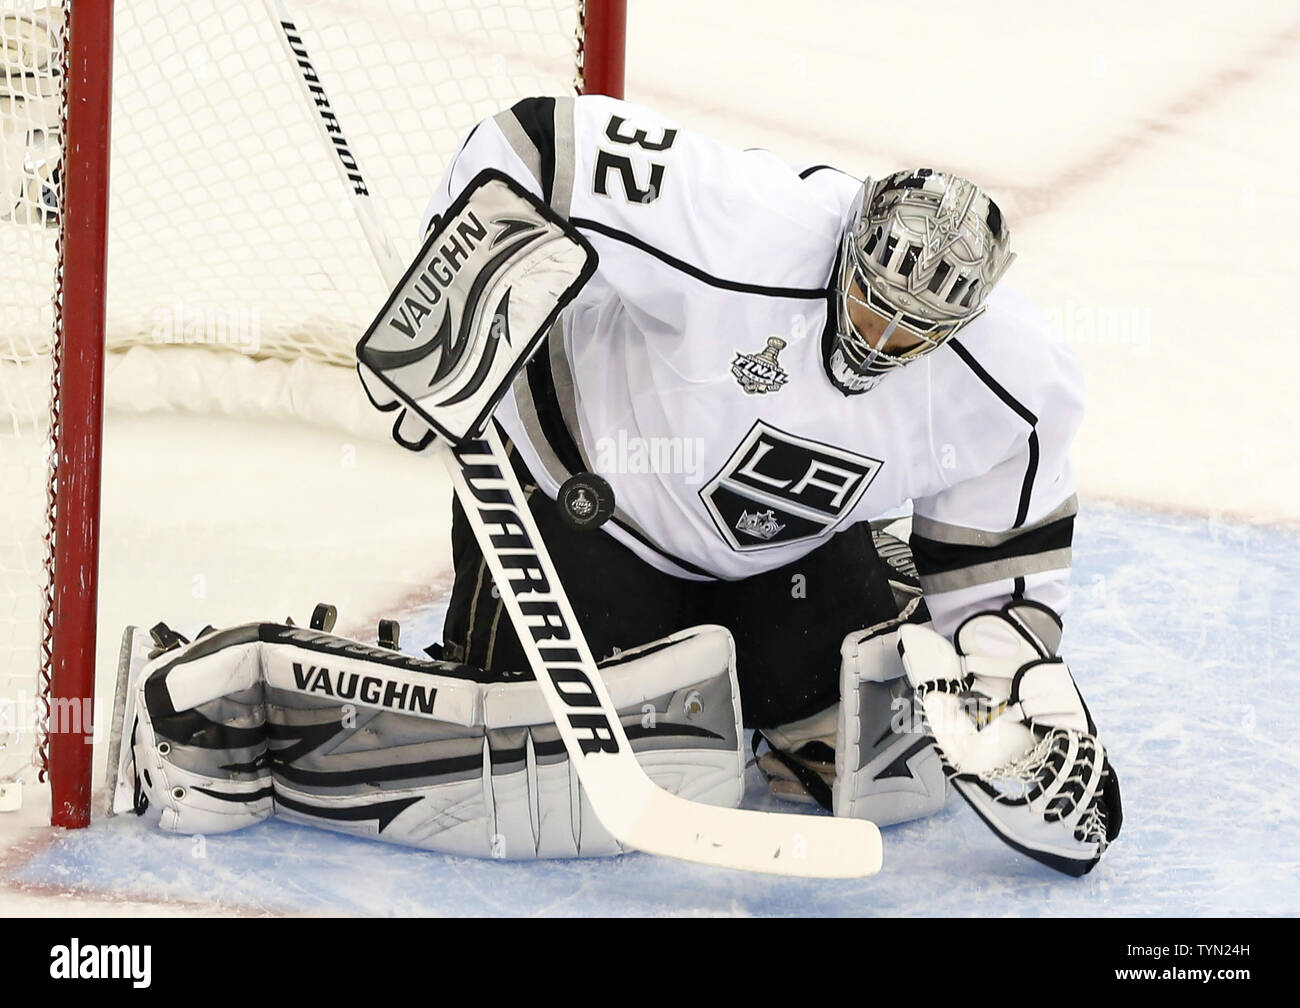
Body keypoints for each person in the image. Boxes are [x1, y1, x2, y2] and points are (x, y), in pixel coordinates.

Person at [418, 94, 1121, 874]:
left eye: (912, 327)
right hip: (587, 495)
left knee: (863, 738)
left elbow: (1001, 547)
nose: (880, 338)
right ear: (848, 242)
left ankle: (784, 646)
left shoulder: (1010, 376)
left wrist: (1007, 663)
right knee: (547, 752)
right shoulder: (749, 220)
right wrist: (444, 317)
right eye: (871, 300)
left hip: (775, 559)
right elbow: (536, 144)